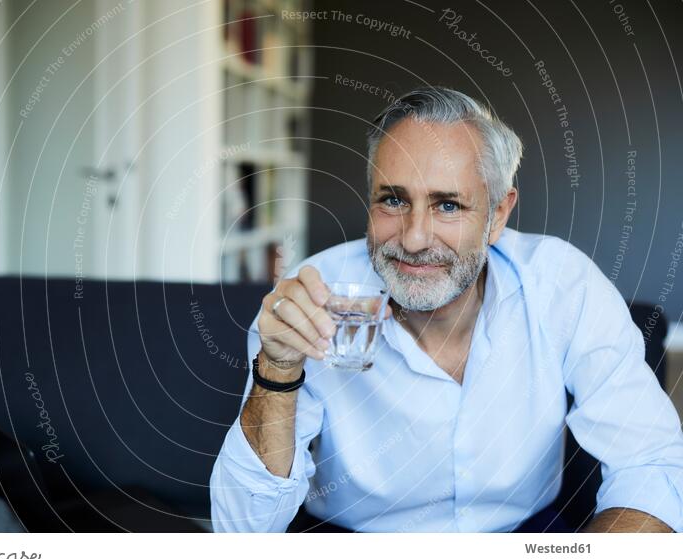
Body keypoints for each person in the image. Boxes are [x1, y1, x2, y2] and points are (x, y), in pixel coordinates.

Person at [209, 87, 683, 533]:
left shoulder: (563, 285)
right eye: (393, 199)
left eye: (448, 205)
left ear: (497, 215)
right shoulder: (312, 296)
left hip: (522, 537)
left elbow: (651, 463)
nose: (414, 239)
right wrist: (277, 369)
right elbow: (244, 532)